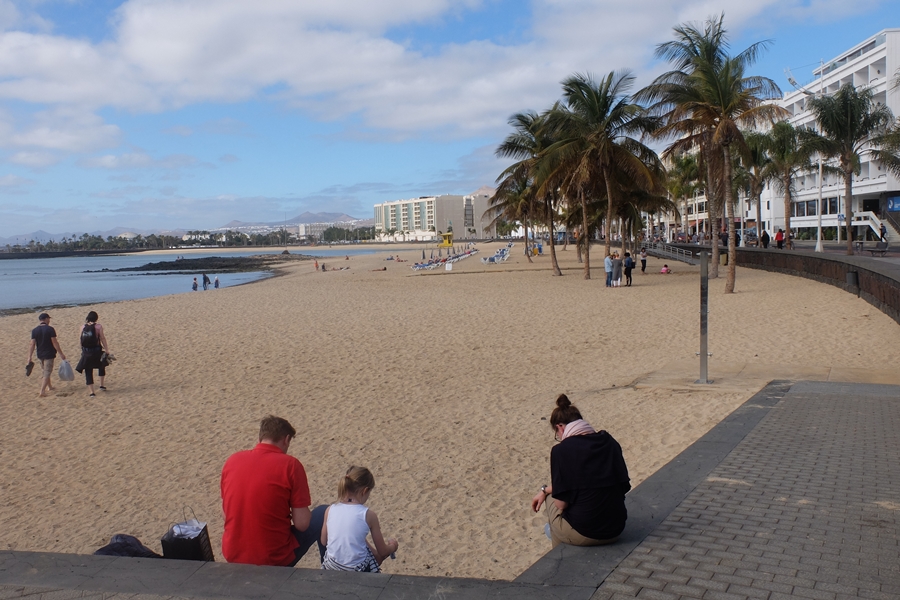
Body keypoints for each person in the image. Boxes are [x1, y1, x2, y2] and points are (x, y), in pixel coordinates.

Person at [221, 416, 325, 567]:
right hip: (273, 558)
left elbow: (226, 514)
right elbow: (302, 524)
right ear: (286, 439)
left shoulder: (232, 460)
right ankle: (330, 569)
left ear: (261, 437)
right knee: (323, 513)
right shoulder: (291, 465)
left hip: (233, 554)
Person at [531, 394, 630, 548]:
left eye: (557, 434)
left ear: (560, 427)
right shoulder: (608, 441)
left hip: (586, 533)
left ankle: (560, 556)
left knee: (552, 504)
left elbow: (561, 504)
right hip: (617, 528)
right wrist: (545, 489)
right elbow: (622, 486)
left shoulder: (561, 451)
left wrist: (546, 492)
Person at [320, 466, 398, 572]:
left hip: (331, 566)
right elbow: (383, 551)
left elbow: (324, 541)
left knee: (356, 541)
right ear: (365, 491)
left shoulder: (330, 509)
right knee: (371, 557)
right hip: (356, 569)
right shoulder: (368, 515)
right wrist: (393, 546)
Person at [26, 313, 67, 397]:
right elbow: (55, 342)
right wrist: (61, 353)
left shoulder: (35, 330)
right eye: (49, 319)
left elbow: (32, 344)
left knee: (45, 371)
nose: (49, 320)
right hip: (49, 354)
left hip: (40, 354)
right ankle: (42, 391)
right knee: (47, 372)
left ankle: (50, 387)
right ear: (46, 319)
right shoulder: (50, 329)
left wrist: (29, 356)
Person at [75, 311, 109, 397]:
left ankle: (92, 392)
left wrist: (82, 350)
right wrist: (107, 349)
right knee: (101, 366)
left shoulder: (82, 327)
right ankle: (101, 385)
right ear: (96, 318)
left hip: (86, 351)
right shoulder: (98, 326)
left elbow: (80, 340)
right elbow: (102, 338)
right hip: (96, 350)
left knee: (88, 370)